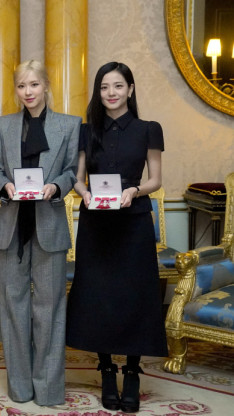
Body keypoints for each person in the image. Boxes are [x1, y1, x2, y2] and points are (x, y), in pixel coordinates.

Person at [66, 62, 167, 414]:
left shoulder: (148, 129)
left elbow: (155, 179)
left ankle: (133, 372)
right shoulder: (86, 131)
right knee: (98, 295)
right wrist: (85, 194)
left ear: (131, 89)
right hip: (96, 223)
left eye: (118, 86)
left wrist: (135, 191)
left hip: (134, 221)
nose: (111, 93)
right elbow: (78, 177)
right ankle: (108, 370)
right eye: (105, 87)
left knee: (135, 294)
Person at [0, 60, 80, 406]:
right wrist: (5, 185)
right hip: (13, 226)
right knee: (13, 308)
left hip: (49, 226)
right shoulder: (2, 126)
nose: (28, 92)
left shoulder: (70, 125)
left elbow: (72, 171)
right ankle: (21, 387)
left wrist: (56, 185)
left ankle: (49, 389)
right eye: (21, 86)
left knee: (50, 311)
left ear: (46, 86)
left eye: (34, 85)